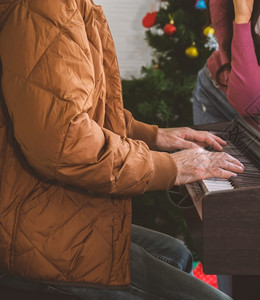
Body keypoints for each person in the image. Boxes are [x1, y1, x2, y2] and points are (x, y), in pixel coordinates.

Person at [0, 0, 243, 299]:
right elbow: (65, 144)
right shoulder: (44, 9)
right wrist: (172, 167)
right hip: (29, 231)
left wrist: (154, 136)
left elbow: (79, 112)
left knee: (175, 252)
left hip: (46, 208)